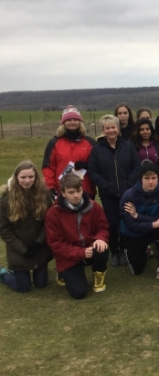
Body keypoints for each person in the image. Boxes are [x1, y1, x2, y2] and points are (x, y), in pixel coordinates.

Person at [45, 174, 110, 299]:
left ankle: (99, 273)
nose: (76, 195)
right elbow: (56, 244)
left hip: (90, 248)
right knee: (79, 293)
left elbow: (103, 227)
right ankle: (63, 273)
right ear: (63, 193)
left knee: (102, 247)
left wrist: (100, 238)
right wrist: (81, 253)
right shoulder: (52, 213)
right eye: (71, 192)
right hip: (69, 256)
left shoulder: (94, 206)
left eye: (79, 191)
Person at [88, 115, 141, 267]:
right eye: (107, 128)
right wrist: (106, 185)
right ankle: (115, 250)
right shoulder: (97, 150)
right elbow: (93, 171)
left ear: (118, 129)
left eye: (113, 127)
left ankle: (125, 248)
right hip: (108, 194)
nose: (111, 130)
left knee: (126, 221)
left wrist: (129, 184)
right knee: (111, 223)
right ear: (103, 130)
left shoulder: (128, 146)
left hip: (127, 192)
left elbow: (137, 166)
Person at [0, 161, 53, 293]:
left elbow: (50, 222)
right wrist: (22, 249)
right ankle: (4, 274)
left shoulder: (45, 194)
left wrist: (38, 242)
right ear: (16, 178)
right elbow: (4, 230)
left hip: (39, 247)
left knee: (41, 284)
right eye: (23, 177)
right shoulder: (5, 200)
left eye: (31, 177)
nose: (27, 180)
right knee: (24, 288)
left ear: (36, 177)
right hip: (18, 250)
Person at [119, 161, 159, 284]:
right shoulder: (128, 196)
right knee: (136, 271)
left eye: (154, 178)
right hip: (133, 234)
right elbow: (131, 225)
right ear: (141, 179)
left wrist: (137, 215)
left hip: (150, 230)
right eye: (146, 178)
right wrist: (153, 224)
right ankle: (145, 252)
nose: (150, 182)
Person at [42, 105, 97, 200]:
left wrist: (88, 165)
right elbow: (48, 167)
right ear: (63, 123)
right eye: (69, 120)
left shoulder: (90, 143)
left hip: (85, 190)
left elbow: (99, 164)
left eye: (75, 119)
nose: (72, 122)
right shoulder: (54, 143)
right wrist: (50, 187)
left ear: (80, 122)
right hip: (62, 191)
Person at [131, 118, 159, 192]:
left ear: (151, 130)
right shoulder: (132, 147)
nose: (145, 132)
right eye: (142, 129)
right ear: (138, 131)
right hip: (138, 188)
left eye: (147, 129)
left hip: (158, 186)